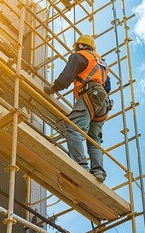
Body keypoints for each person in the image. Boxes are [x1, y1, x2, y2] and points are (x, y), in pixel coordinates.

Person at [44, 34, 111, 183]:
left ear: (79, 46)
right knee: (94, 139)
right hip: (103, 102)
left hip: (89, 95)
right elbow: (108, 87)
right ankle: (98, 171)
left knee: (74, 130)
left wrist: (52, 89)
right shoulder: (102, 64)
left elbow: (66, 78)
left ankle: (81, 167)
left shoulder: (79, 56)